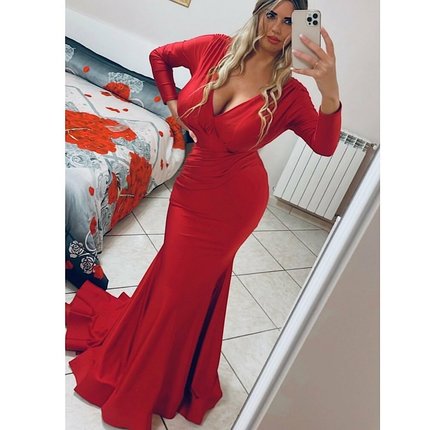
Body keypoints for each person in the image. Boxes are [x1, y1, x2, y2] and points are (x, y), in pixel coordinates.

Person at [65, 0, 342, 428]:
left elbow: (324, 146)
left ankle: (151, 380)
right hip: (192, 188)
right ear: (258, 13)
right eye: (271, 15)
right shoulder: (213, 48)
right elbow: (160, 56)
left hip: (235, 201)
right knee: (173, 282)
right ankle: (155, 357)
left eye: (290, 21)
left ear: (298, 28)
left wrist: (330, 91)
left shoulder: (290, 93)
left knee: (182, 291)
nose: (277, 28)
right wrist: (173, 106)